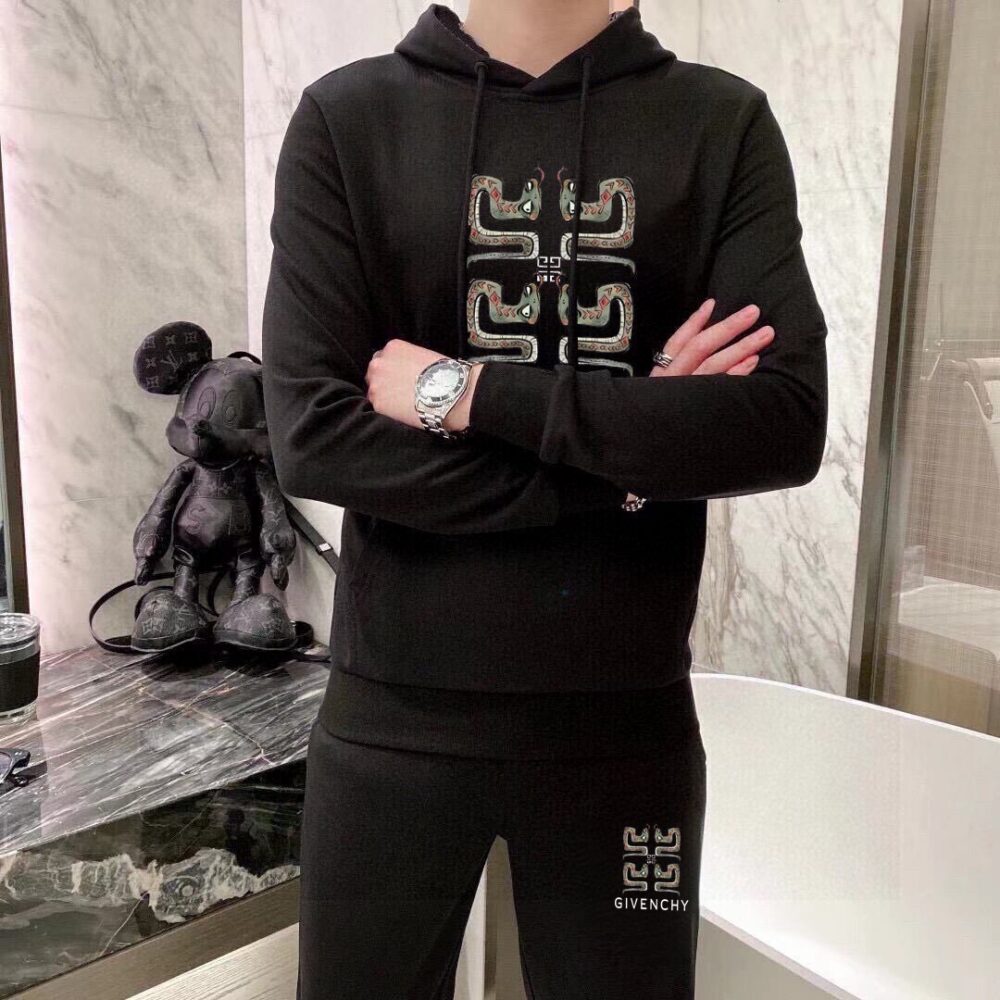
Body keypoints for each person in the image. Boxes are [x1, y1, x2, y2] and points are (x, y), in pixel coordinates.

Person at [261, 1, 828, 997]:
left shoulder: (720, 123)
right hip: (391, 729)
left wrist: (468, 392)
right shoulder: (348, 119)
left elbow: (783, 424)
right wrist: (634, 460)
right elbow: (315, 440)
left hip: (630, 742)